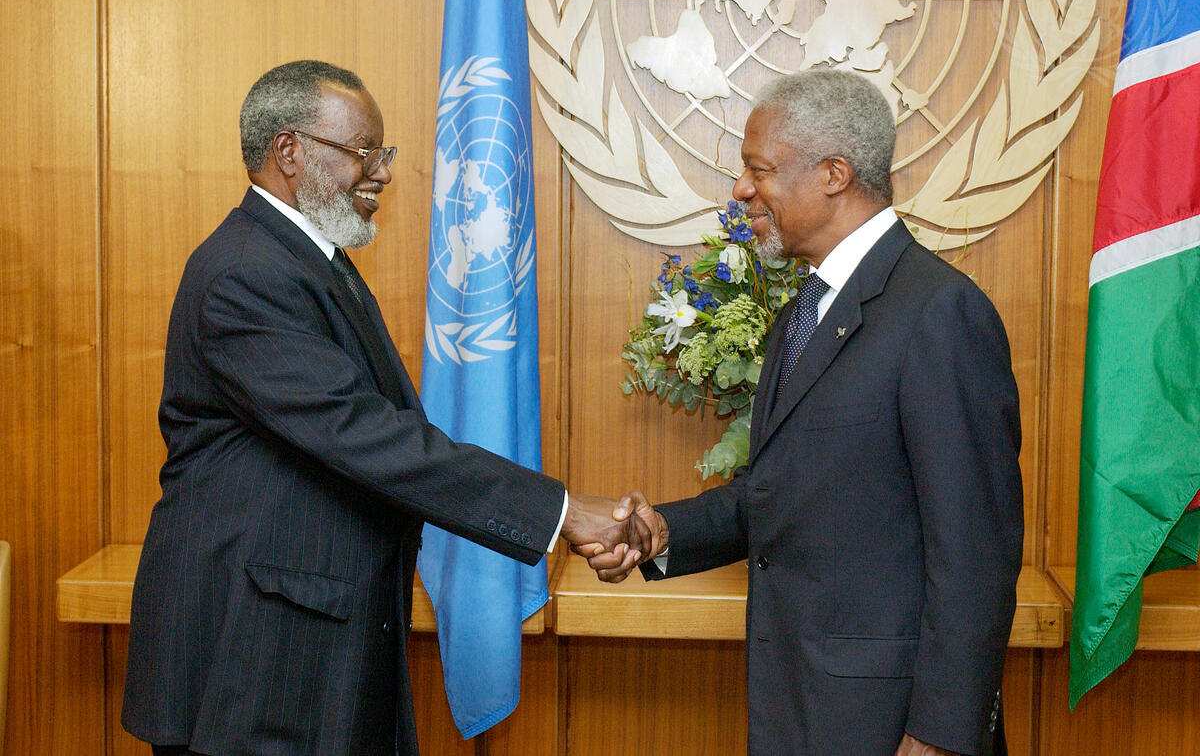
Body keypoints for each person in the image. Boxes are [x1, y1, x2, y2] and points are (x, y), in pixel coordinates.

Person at [121, 60, 646, 756]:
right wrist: (562, 512)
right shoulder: (247, 273)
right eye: (364, 152)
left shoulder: (311, 259)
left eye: (383, 152)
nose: (384, 173)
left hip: (307, 644)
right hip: (251, 661)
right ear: (289, 151)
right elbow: (366, 436)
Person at [582, 69, 1024, 756]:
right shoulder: (803, 314)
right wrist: (662, 532)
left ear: (833, 175)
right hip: (799, 708)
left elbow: (976, 552)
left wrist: (941, 734)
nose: (741, 190)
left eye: (758, 170)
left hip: (891, 726)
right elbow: (778, 491)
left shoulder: (940, 312)